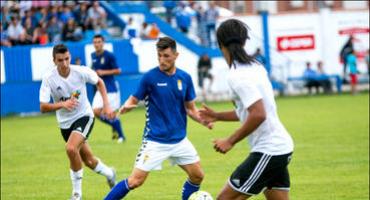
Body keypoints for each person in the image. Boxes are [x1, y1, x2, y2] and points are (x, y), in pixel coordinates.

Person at [104, 37, 213, 200]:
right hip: (155, 141)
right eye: (159, 56)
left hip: (180, 141)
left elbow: (190, 109)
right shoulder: (150, 77)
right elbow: (133, 99)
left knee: (197, 175)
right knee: (135, 181)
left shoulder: (185, 78)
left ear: (176, 55)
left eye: (166, 56)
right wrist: (126, 107)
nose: (162, 60)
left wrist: (203, 120)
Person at [199, 19, 294, 200]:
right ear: (244, 41)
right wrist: (217, 115)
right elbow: (251, 111)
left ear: (220, 45)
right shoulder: (255, 66)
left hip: (270, 150)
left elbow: (258, 114)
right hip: (279, 148)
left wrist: (230, 140)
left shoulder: (237, 76)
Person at [39, 44, 117, 200]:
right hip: (65, 124)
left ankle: (76, 195)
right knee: (88, 160)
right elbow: (43, 107)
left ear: (69, 57)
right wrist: (62, 104)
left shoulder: (80, 71)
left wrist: (106, 105)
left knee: (70, 148)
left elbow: (99, 82)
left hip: (84, 116)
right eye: (60, 60)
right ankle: (110, 173)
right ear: (54, 60)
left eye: (67, 59)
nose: (65, 63)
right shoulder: (49, 78)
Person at [91, 34, 126, 142]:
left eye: (99, 42)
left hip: (110, 89)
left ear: (103, 43)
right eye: (95, 42)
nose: (97, 44)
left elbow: (118, 70)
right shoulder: (93, 56)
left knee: (109, 113)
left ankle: (121, 136)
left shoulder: (109, 55)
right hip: (100, 89)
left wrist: (104, 72)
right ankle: (115, 124)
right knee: (95, 111)